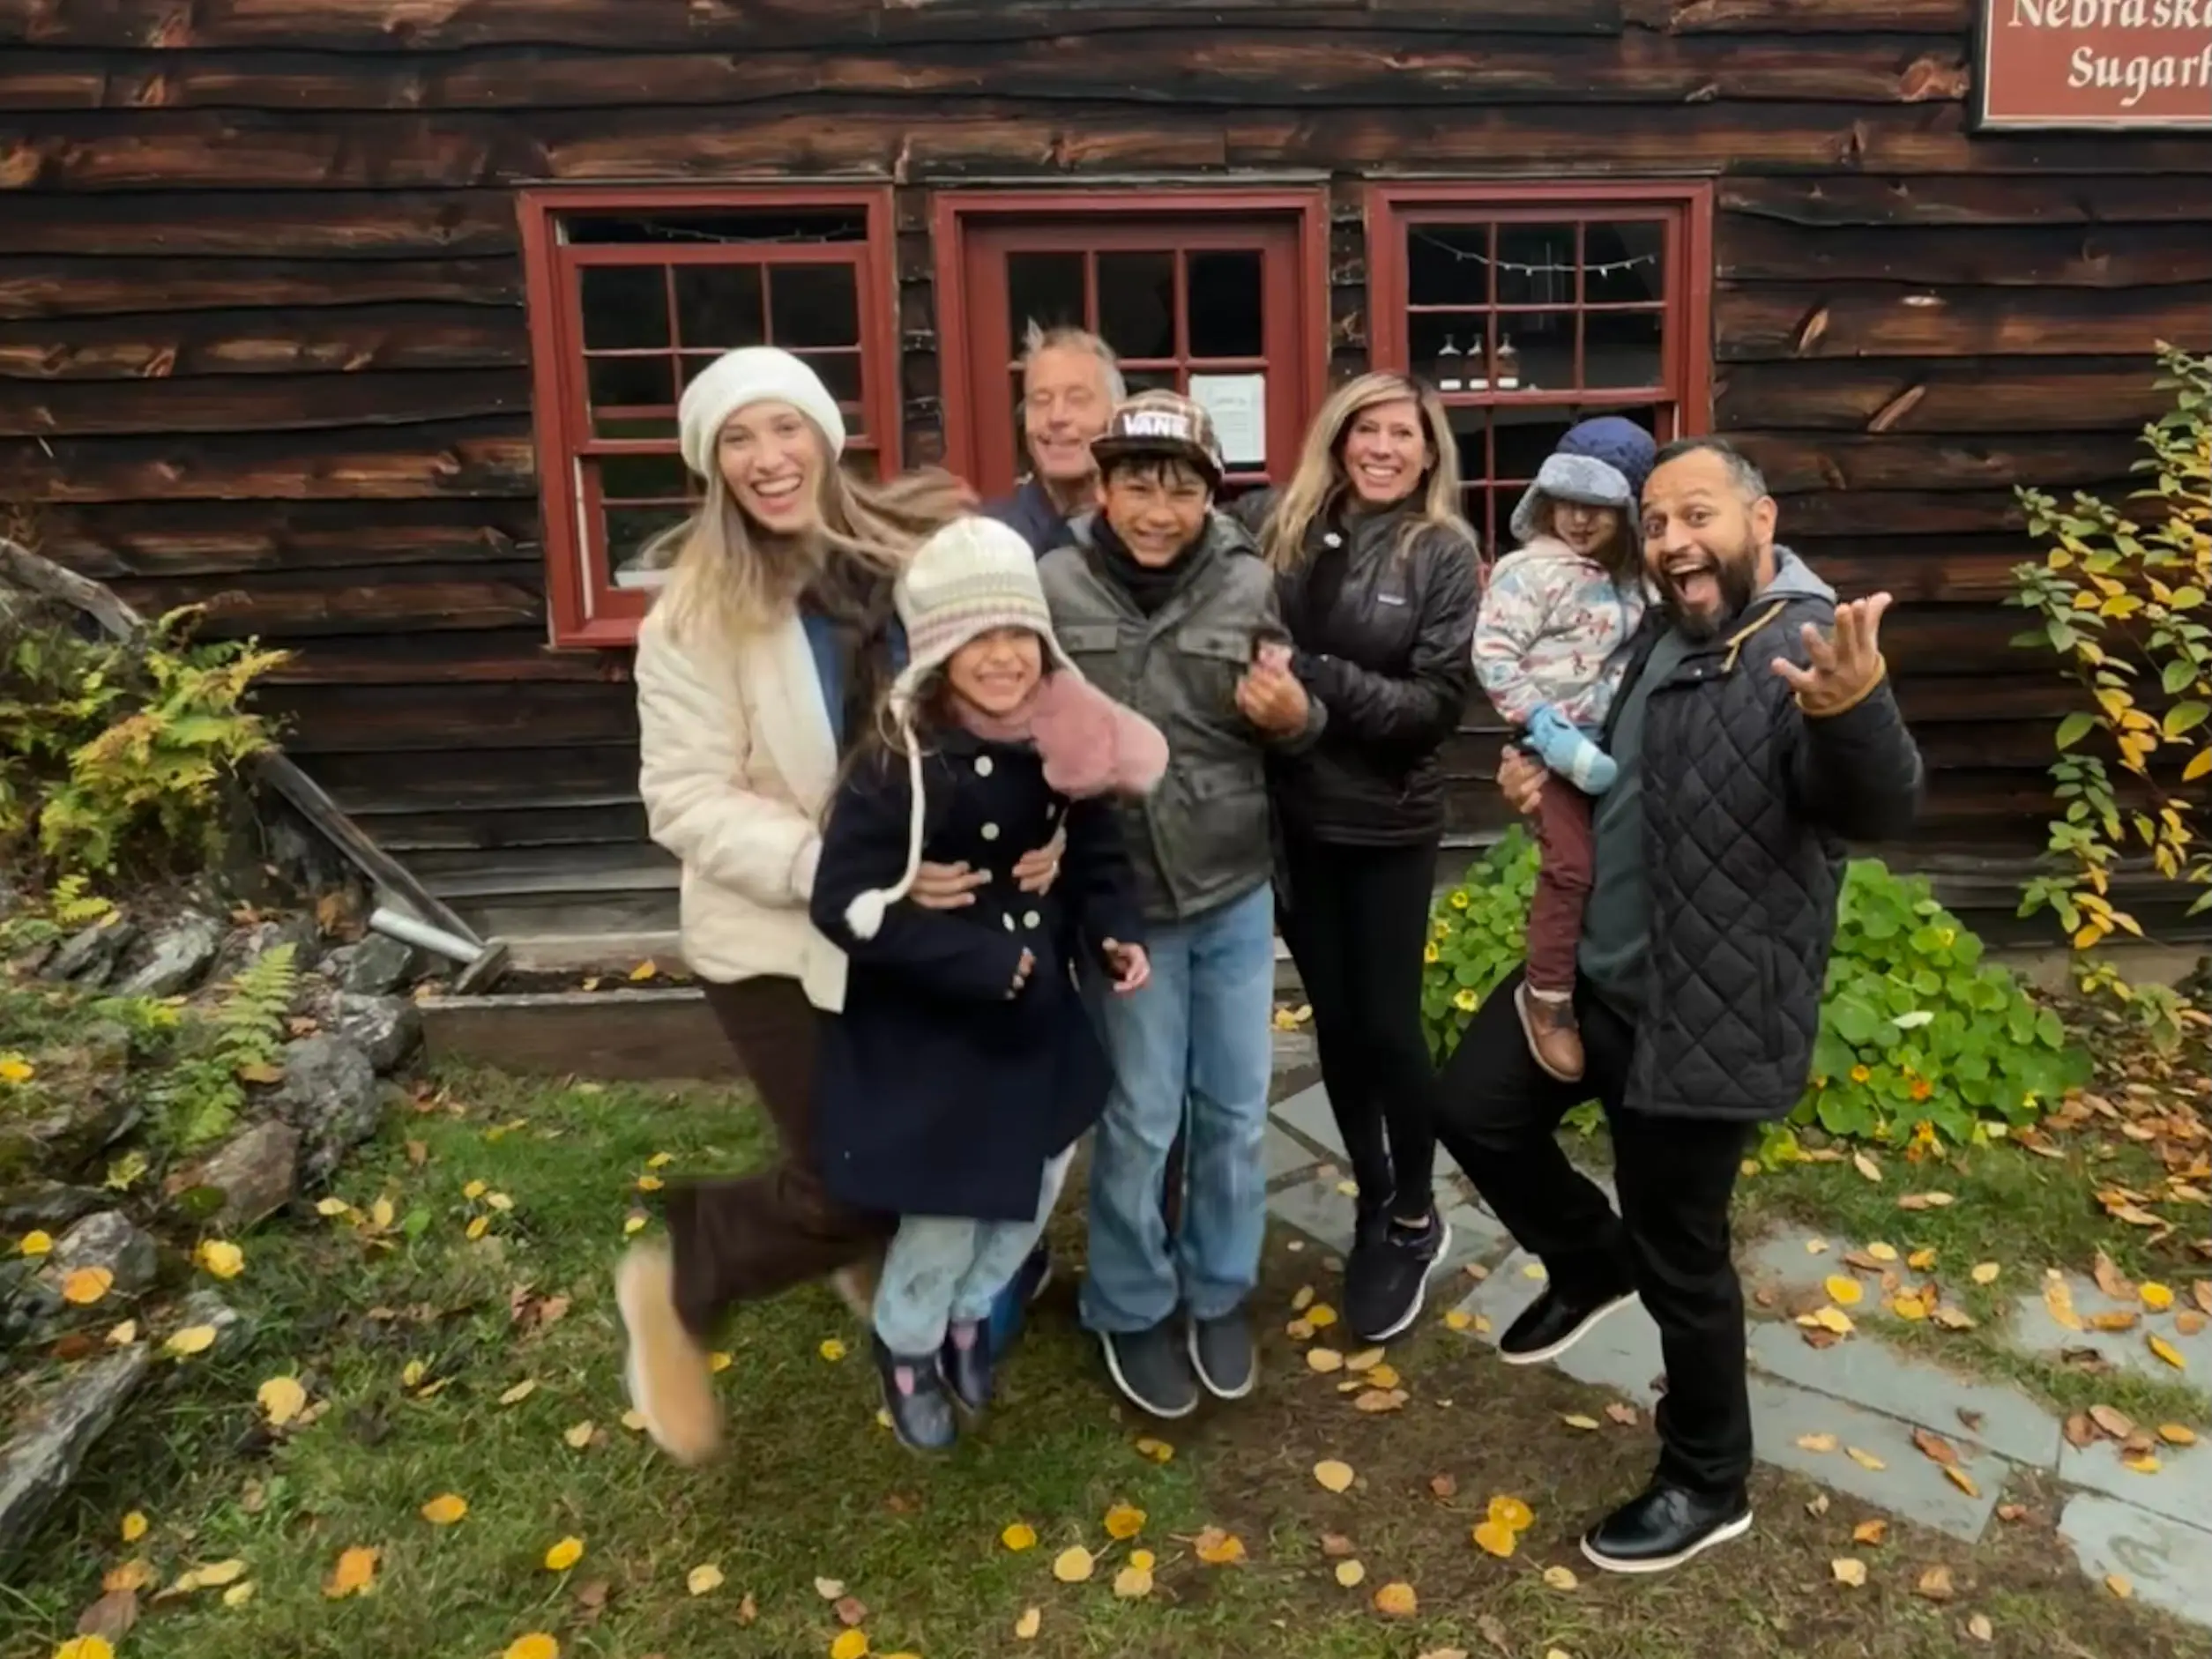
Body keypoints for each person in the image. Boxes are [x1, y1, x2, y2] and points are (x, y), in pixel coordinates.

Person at [1433, 436, 1923, 1573]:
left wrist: (1857, 713)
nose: (1670, 543)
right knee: (1470, 1108)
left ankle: (1709, 1479)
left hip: (1703, 1014)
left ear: (1762, 516)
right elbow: (1627, 776)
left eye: (1695, 515)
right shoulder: (1664, 632)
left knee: (1683, 1259)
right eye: (1654, 523)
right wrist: (1541, 779)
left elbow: (1876, 804)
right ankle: (1585, 1261)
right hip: (1600, 974)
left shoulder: (1801, 645)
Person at [614, 346, 1062, 1467]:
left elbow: (998, 681)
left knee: (931, 1131)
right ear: (712, 468)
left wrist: (1040, 822)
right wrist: (847, 869)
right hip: (777, 939)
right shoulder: (693, 619)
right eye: (738, 440)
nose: (768, 459)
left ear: (825, 434)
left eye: (785, 429)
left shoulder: (906, 556)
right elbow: (684, 800)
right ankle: (688, 1272)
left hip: (927, 920)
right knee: (852, 1181)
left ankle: (881, 1269)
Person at [808, 515, 1164, 1449]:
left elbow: (1093, 854)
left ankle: (972, 1314)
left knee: (1037, 1186)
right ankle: (909, 1346)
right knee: (944, 1210)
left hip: (1036, 1025)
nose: (1002, 657)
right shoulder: (895, 766)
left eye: (1018, 635)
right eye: (977, 638)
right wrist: (970, 957)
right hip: (938, 1042)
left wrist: (1115, 932)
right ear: (936, 650)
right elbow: (842, 903)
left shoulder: (1054, 745)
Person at [1039, 391, 1325, 1418]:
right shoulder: (1053, 587)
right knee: (1141, 1113)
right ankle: (1127, 1305)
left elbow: (1293, 718)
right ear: (1102, 488)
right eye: (1138, 485)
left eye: (1181, 488)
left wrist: (1296, 718)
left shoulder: (1249, 581)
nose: (1159, 510)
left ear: (1210, 496)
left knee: (1237, 1112)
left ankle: (1217, 1292)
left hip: (1233, 888)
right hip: (1124, 907)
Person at [1239, 372, 1481, 1345]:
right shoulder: (1278, 527)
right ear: (1338, 440)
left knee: (1387, 1027)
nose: (1382, 447)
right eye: (1365, 429)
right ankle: (1372, 1198)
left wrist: (1314, 682)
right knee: (1334, 1022)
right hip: (1290, 815)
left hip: (1384, 820)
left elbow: (1431, 711)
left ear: (1428, 453)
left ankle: (1417, 1214)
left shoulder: (1443, 556)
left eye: (1402, 433)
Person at [1471, 417, 1655, 1083]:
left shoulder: (1639, 583)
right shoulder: (1528, 574)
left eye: (1599, 507)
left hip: (1616, 749)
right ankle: (1546, 997)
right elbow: (1492, 658)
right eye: (1566, 501)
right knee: (1571, 867)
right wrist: (1543, 726)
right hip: (1549, 749)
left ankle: (1608, 988)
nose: (1578, 519)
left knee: (1615, 868)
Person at [983, 323, 1125, 554]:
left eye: (1077, 399)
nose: (1056, 417)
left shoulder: (1144, 534)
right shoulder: (988, 540)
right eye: (1041, 400)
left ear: (1115, 414)